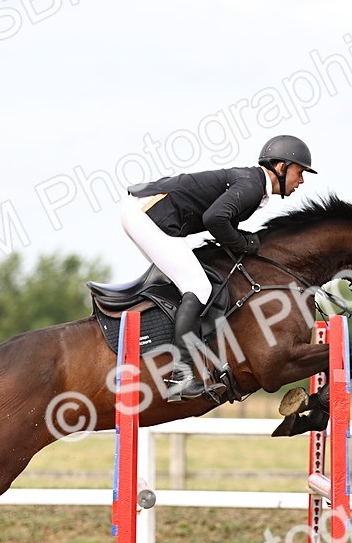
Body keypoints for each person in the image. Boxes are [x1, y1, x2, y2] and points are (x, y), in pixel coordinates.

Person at [121, 134, 316, 401]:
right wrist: (243, 243)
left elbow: (220, 221)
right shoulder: (252, 185)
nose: (301, 180)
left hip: (143, 212)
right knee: (198, 286)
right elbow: (214, 219)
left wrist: (242, 240)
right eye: (300, 172)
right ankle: (180, 376)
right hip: (146, 213)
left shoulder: (253, 185)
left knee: (186, 284)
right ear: (281, 168)